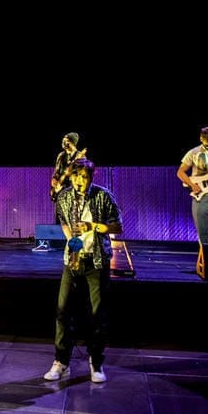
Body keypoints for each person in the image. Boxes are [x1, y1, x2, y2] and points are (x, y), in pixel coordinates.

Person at [44, 157, 123, 384]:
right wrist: (72, 242)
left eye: (85, 177)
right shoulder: (64, 196)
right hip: (73, 261)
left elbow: (118, 225)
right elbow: (63, 221)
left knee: (97, 313)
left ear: (91, 177)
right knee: (62, 309)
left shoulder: (102, 195)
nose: (80, 181)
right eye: (77, 176)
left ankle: (96, 361)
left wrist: (94, 227)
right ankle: (61, 362)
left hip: (96, 261)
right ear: (72, 176)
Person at [35, 132, 86, 252]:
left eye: (67, 140)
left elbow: (82, 175)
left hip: (73, 191)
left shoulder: (80, 156)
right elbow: (57, 172)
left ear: (73, 142)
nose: (64, 142)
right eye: (63, 140)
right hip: (61, 191)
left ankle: (74, 243)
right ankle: (59, 242)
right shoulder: (61, 156)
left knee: (73, 216)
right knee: (59, 216)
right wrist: (54, 180)